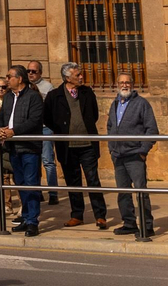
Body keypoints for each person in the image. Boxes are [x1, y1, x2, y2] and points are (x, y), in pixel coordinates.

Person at [42, 63, 106, 228]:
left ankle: (100, 215)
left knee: (93, 180)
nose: (81, 77)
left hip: (87, 145)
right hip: (67, 147)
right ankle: (77, 215)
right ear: (67, 78)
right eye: (77, 75)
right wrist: (62, 130)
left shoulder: (87, 92)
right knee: (73, 182)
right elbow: (47, 118)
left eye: (80, 74)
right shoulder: (54, 96)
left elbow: (94, 114)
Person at [0, 64, 45, 236]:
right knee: (21, 184)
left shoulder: (33, 97)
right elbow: (1, 116)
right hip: (13, 147)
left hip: (29, 147)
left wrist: (13, 131)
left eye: (10, 76)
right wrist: (0, 129)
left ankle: (32, 221)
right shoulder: (9, 97)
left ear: (20, 79)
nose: (7, 79)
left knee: (31, 184)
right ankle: (25, 217)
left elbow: (34, 121)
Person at [106, 72, 158, 237]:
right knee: (123, 192)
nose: (124, 85)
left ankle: (147, 226)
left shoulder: (141, 103)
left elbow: (152, 129)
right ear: (117, 85)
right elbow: (110, 126)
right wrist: (111, 148)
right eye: (121, 82)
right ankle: (129, 223)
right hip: (118, 155)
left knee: (141, 191)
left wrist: (143, 150)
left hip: (135, 155)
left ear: (133, 84)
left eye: (127, 82)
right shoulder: (115, 103)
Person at [24, 61, 59, 203]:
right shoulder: (25, 87)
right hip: (30, 129)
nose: (31, 74)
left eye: (34, 71)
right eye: (28, 71)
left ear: (40, 72)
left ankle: (53, 193)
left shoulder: (48, 87)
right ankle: (37, 192)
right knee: (34, 161)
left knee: (48, 161)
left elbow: (52, 109)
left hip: (45, 128)